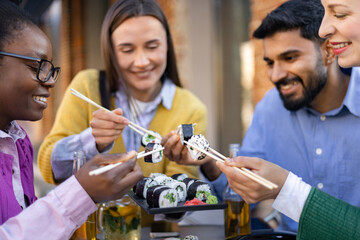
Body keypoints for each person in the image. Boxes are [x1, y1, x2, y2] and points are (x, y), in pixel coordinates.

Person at [37, 0, 207, 226]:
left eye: (152, 46)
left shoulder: (191, 107)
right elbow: (49, 166)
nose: (141, 61)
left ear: (168, 44)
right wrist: (92, 140)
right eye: (127, 50)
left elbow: (178, 201)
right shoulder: (87, 86)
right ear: (111, 52)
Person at [217, 0, 360, 239]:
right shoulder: (270, 108)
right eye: (270, 63)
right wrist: (210, 165)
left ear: (328, 51)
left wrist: (286, 188)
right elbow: (240, 194)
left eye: (290, 58)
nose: (276, 75)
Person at [0, 1, 143, 239]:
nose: (51, 81)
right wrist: (82, 192)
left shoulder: (18, 141)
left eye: (50, 69)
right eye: (37, 66)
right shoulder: (88, 85)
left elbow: (28, 220)